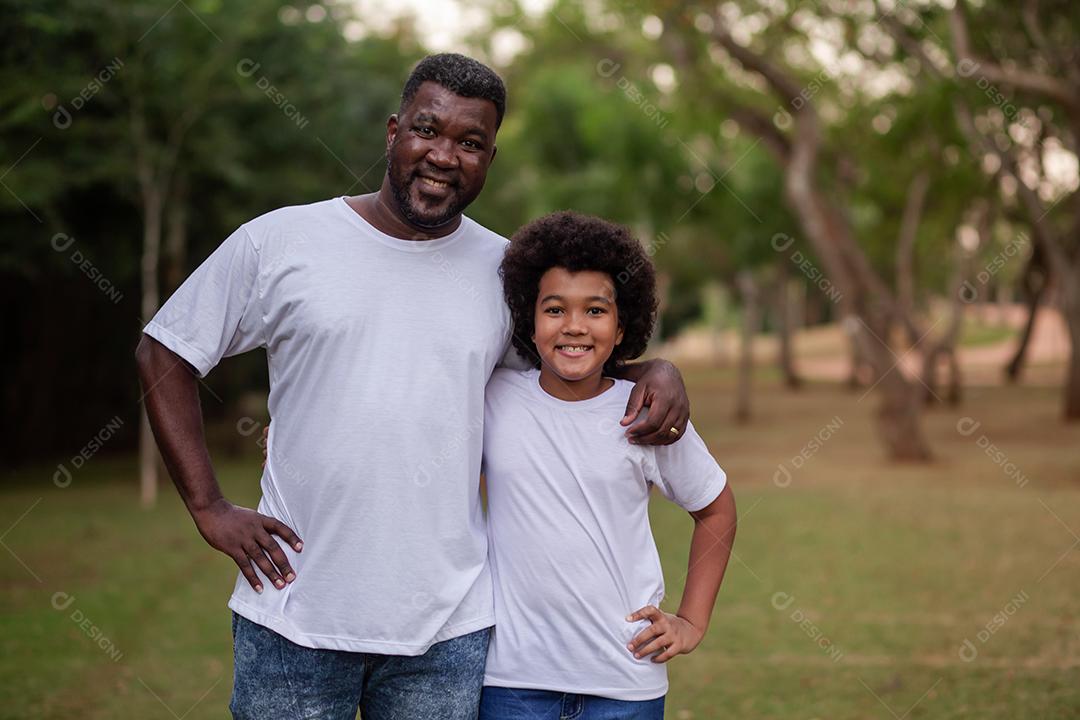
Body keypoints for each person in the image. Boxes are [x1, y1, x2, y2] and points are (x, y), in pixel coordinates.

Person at [134, 53, 691, 720]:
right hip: (293, 616)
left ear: (489, 158)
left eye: (470, 142)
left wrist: (652, 370)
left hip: (446, 633)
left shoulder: (506, 272)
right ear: (394, 131)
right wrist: (208, 506)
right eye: (427, 130)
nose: (444, 156)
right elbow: (164, 352)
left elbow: (570, 360)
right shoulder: (282, 242)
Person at [479, 211, 737, 719]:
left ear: (621, 328)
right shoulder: (494, 397)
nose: (574, 325)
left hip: (624, 682)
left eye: (595, 310)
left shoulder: (646, 411)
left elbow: (717, 509)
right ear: (530, 320)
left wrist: (691, 622)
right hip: (512, 683)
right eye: (555, 309)